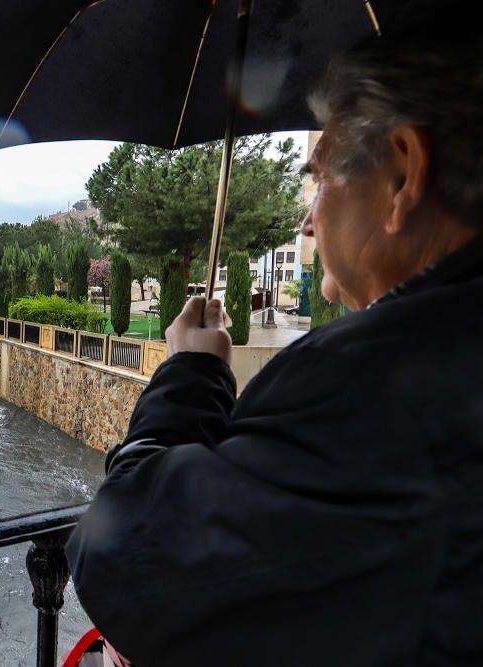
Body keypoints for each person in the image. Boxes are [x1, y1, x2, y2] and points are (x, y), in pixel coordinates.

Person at [65, 21, 483, 667]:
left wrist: (191, 370)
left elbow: (130, 552)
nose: (307, 219)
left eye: (320, 179)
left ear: (403, 171)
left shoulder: (369, 379)